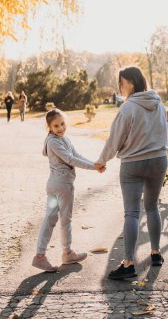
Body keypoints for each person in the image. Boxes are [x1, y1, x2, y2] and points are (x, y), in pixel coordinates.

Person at [96, 66, 168, 280]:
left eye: (122, 83)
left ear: (132, 83)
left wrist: (102, 160)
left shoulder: (128, 108)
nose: (120, 87)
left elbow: (114, 140)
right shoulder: (159, 104)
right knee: (152, 206)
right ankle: (155, 253)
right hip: (158, 161)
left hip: (133, 164)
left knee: (132, 213)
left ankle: (128, 263)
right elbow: (164, 132)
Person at [32, 109, 105, 272]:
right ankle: (65, 253)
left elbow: (76, 154)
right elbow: (70, 159)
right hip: (62, 186)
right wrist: (94, 168)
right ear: (49, 127)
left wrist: (95, 164)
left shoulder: (61, 138)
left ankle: (41, 256)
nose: (60, 128)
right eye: (56, 126)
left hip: (54, 185)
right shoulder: (54, 142)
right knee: (64, 220)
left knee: (50, 219)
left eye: (62, 124)